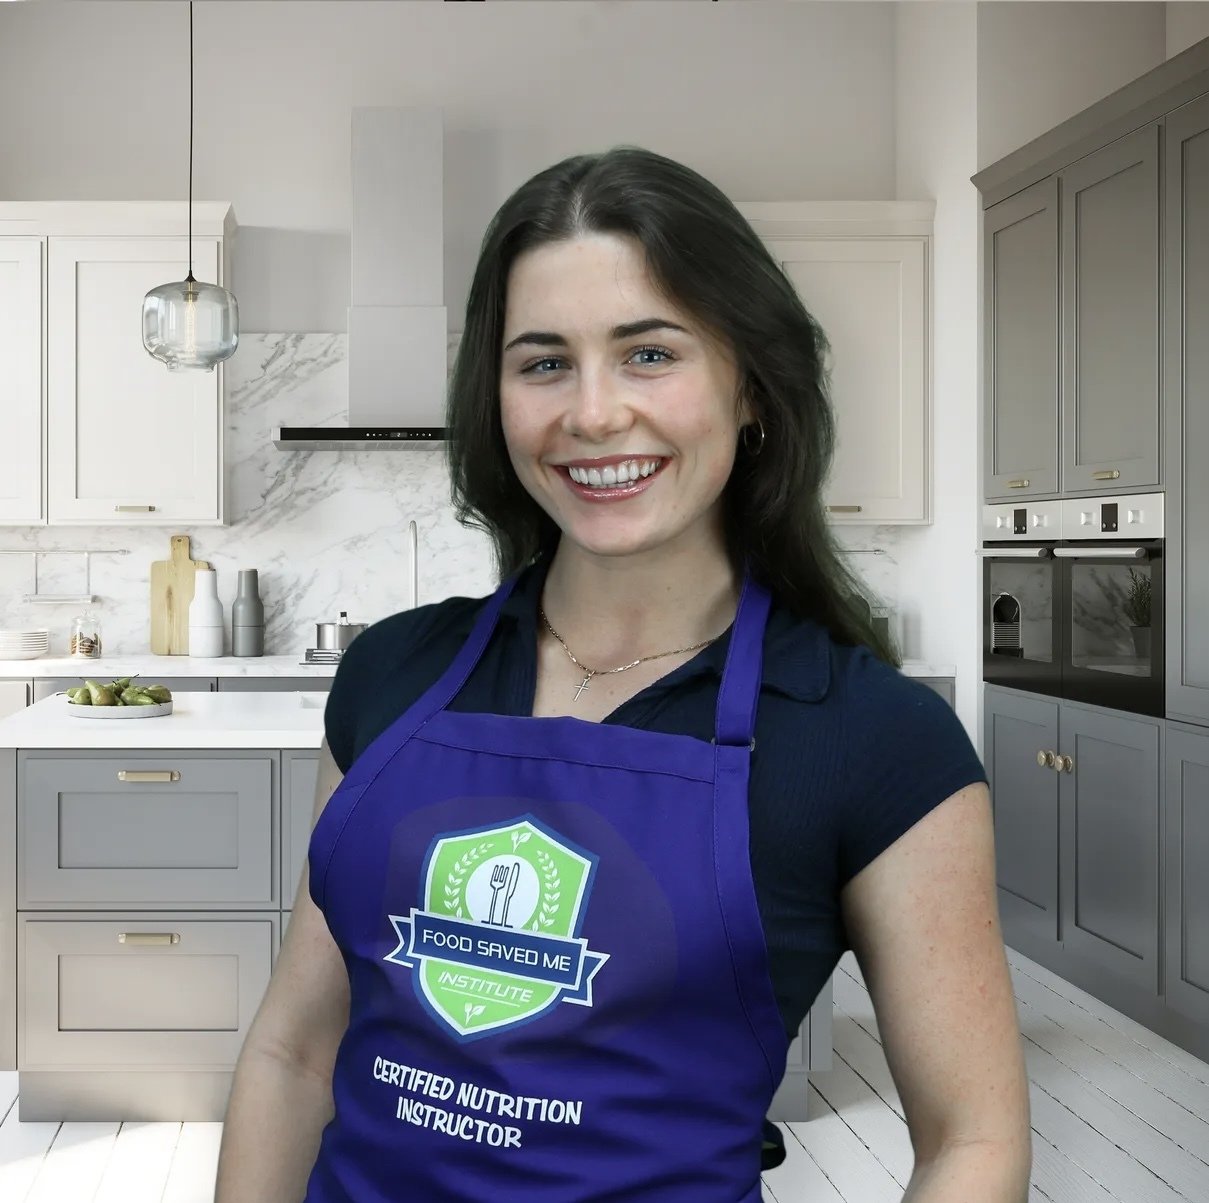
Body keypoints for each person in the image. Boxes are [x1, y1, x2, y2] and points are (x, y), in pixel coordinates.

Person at [214, 146, 1032, 1202]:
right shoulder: (392, 675)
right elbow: (293, 1048)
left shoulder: (871, 741)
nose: (593, 413)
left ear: (752, 386)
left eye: (649, 354)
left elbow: (974, 1142)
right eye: (544, 362)